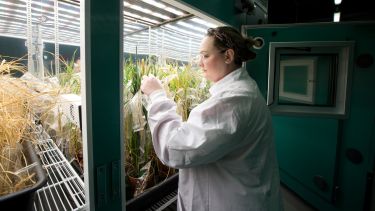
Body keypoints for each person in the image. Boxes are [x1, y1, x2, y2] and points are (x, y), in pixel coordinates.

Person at [141, 26, 283, 211]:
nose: (200, 63)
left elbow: (174, 148)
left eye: (205, 55)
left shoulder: (233, 101)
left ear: (228, 56)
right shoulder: (245, 90)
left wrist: (157, 95)